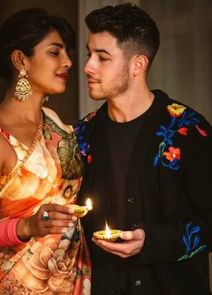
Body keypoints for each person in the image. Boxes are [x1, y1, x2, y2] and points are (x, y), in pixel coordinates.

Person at [75, 3, 212, 295]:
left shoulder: (188, 129)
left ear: (137, 65)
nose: (88, 66)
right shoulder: (83, 133)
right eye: (90, 54)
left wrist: (152, 242)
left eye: (103, 57)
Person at [0, 8, 91, 294]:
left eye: (66, 52)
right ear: (20, 59)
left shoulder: (54, 123)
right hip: (17, 284)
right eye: (55, 52)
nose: (67, 61)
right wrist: (25, 227)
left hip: (73, 280)